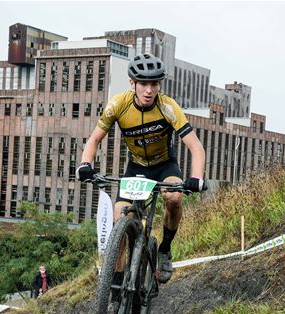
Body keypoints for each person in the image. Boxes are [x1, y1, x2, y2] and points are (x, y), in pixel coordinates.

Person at [77, 53, 207, 285]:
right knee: (119, 219)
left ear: (159, 85)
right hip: (136, 168)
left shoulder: (168, 107)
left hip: (164, 166)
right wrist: (86, 164)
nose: (149, 90)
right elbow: (95, 139)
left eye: (154, 84)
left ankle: (165, 251)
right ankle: (115, 290)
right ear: (132, 84)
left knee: (174, 198)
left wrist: (196, 177)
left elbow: (195, 146)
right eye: (144, 84)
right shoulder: (118, 105)